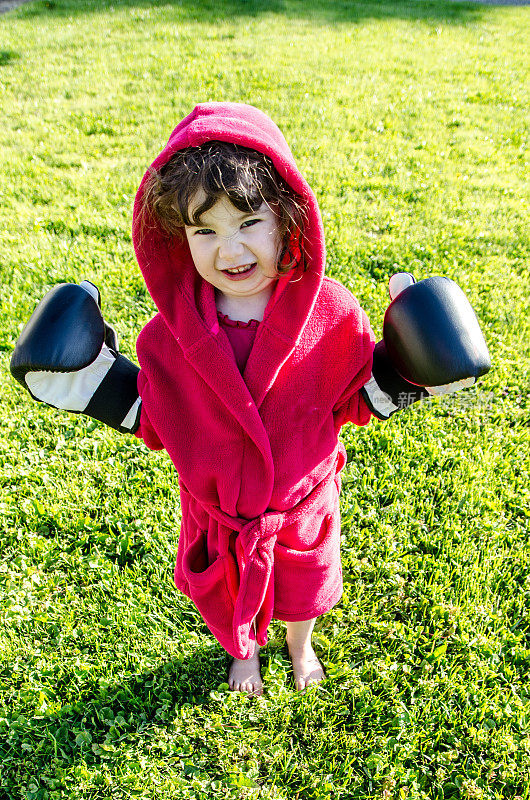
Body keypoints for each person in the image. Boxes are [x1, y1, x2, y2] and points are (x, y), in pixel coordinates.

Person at [10, 102, 490, 696]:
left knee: (301, 591)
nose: (229, 251)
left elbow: (355, 401)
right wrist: (96, 389)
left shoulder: (332, 314)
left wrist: (407, 373)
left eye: (247, 222)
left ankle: (300, 644)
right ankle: (245, 651)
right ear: (176, 236)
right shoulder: (168, 337)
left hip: (299, 508)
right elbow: (161, 421)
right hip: (220, 517)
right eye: (203, 230)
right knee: (229, 596)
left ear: (288, 218)